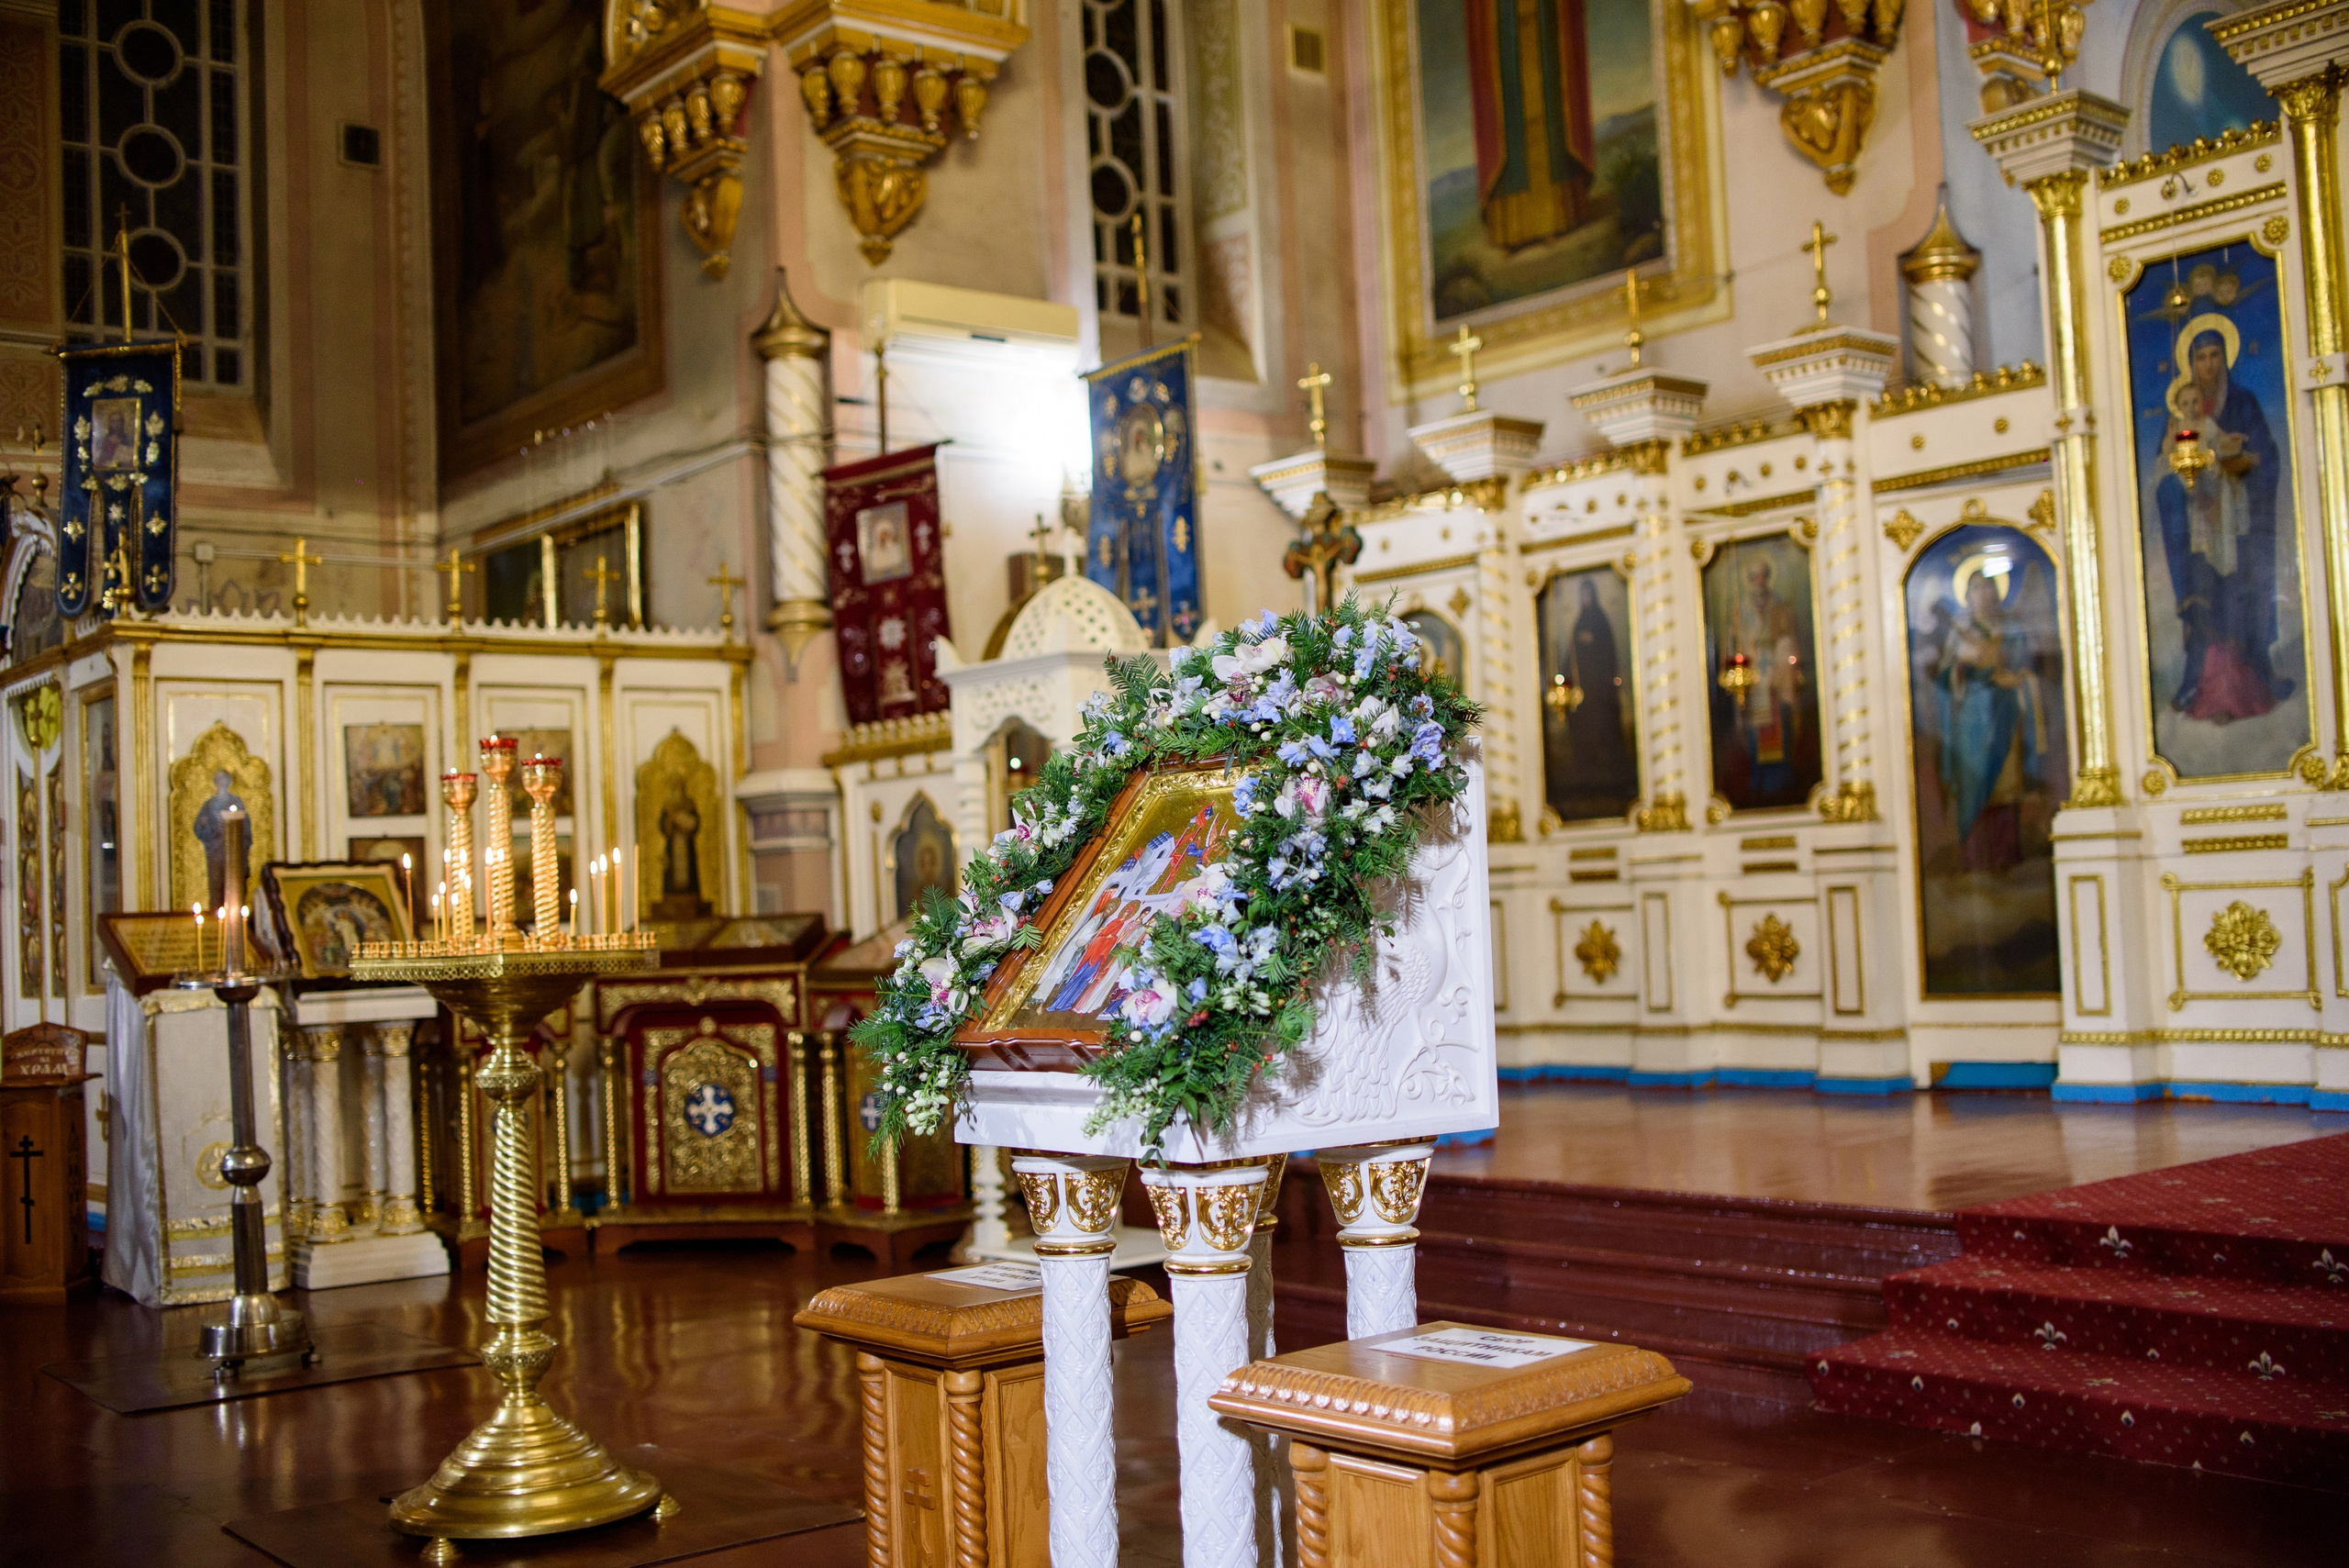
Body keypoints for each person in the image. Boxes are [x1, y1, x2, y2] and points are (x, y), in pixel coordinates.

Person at [2153, 322, 2284, 721]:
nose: (2208, 364)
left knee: (2240, 598)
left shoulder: (2243, 403)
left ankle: (2249, 680)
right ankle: (2201, 684)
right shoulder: (2178, 423)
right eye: (2200, 358)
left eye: (2215, 356)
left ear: (2225, 359)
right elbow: (2166, 470)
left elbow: (2263, 455)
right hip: (2198, 532)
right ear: (2190, 365)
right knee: (2203, 604)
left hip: (2236, 524)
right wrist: (2188, 490)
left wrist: (2245, 461)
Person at [1934, 568, 2047, 873]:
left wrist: (2015, 678)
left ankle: (2004, 861)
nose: (1984, 594)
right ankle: (1974, 864)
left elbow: (2027, 669)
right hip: (1972, 719)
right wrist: (1961, 668)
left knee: (2006, 787)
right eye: (1977, 588)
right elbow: (1945, 681)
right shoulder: (1960, 631)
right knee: (1974, 785)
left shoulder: (2012, 628)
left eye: (1989, 587)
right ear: (1967, 596)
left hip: (2006, 714)